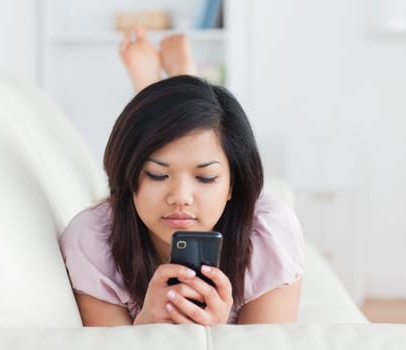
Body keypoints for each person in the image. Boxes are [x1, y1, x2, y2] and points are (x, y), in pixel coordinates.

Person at [60, 28, 305, 326]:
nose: (179, 197)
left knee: (194, 133)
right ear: (127, 177)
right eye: (157, 174)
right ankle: (177, 86)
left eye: (205, 178)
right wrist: (147, 326)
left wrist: (216, 338)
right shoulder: (92, 239)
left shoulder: (268, 235)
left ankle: (171, 86)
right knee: (187, 137)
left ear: (232, 185)